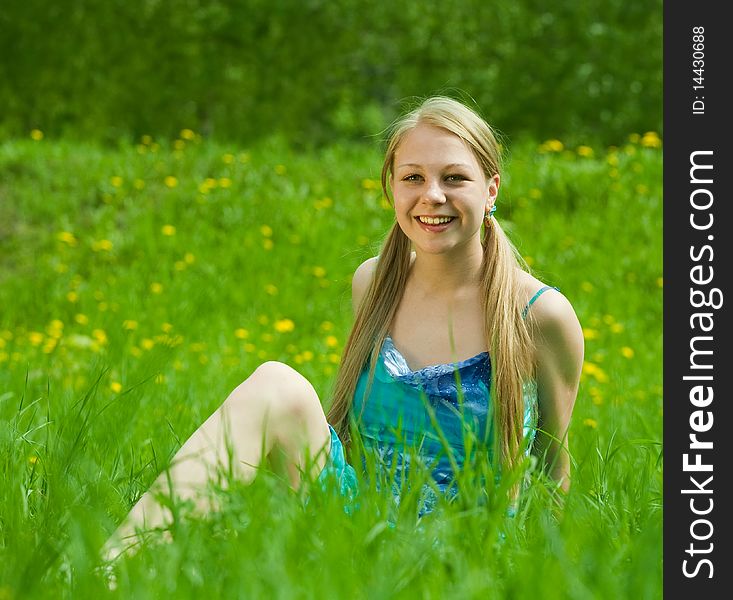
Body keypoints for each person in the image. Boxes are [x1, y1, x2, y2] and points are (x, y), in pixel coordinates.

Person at [103, 96, 583, 561]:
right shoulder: (375, 282)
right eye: (412, 177)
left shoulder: (540, 314)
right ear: (391, 188)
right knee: (277, 385)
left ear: (491, 189)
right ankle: (109, 569)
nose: (432, 196)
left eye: (454, 178)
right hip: (358, 527)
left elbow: (551, 474)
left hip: (461, 557)